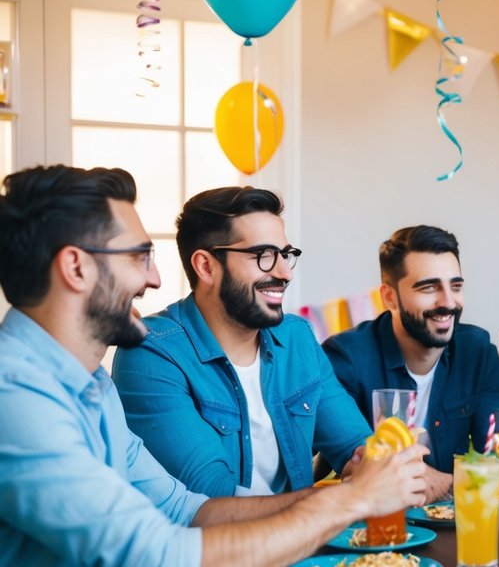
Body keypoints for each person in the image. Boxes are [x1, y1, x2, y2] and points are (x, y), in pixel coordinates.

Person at [0, 164, 428, 567]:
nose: (154, 279)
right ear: (76, 267)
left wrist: (355, 490)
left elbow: (187, 509)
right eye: (138, 256)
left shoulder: (90, 387)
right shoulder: (17, 403)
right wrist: (352, 499)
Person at [112, 186, 369, 498]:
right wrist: (346, 500)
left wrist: (374, 467)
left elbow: (358, 448)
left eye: (285, 255)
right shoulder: (151, 353)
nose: (285, 272)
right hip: (222, 545)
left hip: (308, 542)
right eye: (263, 256)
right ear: (206, 267)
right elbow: (214, 498)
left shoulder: (297, 336)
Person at [323, 225, 499, 504]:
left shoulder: (477, 352)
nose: (448, 302)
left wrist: (445, 482)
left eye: (455, 286)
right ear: (389, 297)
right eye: (429, 287)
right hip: (372, 527)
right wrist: (458, 483)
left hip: (452, 526)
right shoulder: (345, 357)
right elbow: (360, 465)